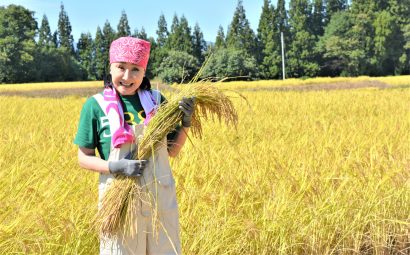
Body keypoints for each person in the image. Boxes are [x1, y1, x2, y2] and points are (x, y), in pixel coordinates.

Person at [74, 36, 195, 255]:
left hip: (159, 202)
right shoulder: (95, 106)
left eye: (136, 69)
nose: (127, 77)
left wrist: (186, 122)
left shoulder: (157, 101)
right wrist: (115, 167)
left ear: (144, 72)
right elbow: (83, 157)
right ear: (110, 68)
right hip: (120, 205)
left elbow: (172, 151)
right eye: (121, 67)